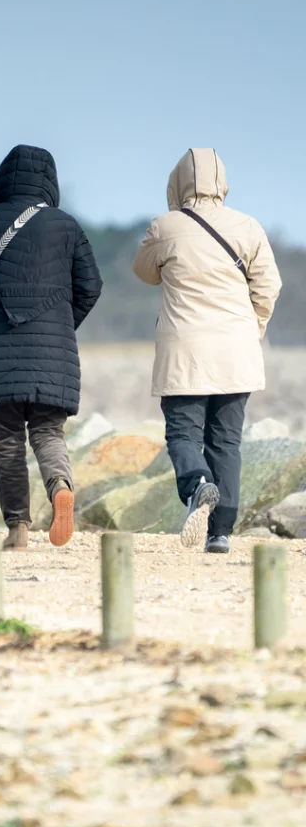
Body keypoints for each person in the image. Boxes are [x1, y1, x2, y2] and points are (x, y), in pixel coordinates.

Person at [0, 144, 102, 549]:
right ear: (49, 182)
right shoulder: (67, 226)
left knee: (8, 442)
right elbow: (90, 287)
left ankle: (17, 529)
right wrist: (63, 327)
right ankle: (60, 488)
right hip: (54, 355)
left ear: (2, 177)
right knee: (49, 432)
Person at [133, 148, 282, 553]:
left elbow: (144, 272)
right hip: (237, 349)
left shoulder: (166, 226)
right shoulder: (248, 226)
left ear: (177, 181)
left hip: (185, 350)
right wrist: (254, 328)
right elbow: (269, 286)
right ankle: (220, 532)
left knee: (183, 432)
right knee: (226, 441)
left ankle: (197, 483)